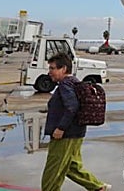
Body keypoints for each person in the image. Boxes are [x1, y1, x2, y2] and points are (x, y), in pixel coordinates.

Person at [42, 53, 110, 191]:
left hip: (65, 136)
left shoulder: (65, 85)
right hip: (77, 133)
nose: (49, 72)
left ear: (63, 69)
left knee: (52, 173)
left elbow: (72, 107)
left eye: (52, 68)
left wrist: (60, 128)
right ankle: (97, 187)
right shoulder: (74, 82)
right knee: (71, 166)